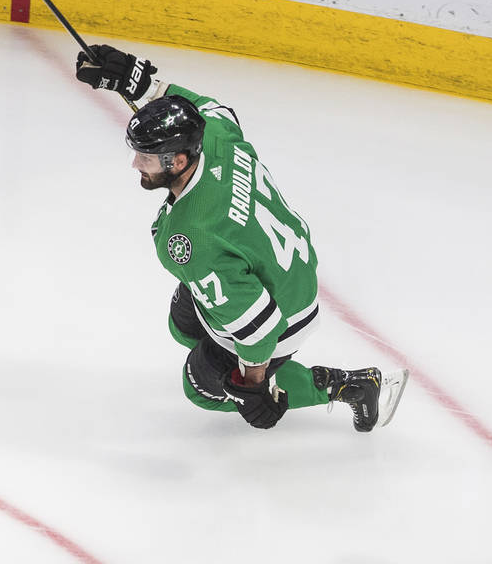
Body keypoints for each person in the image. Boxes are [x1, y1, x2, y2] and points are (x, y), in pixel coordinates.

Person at [73, 45, 407, 431]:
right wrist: (139, 81)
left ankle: (349, 386)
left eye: (146, 157)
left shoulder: (188, 238)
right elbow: (207, 107)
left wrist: (253, 385)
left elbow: (260, 327)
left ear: (178, 161)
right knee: (182, 327)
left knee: (199, 387)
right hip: (277, 262)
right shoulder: (215, 136)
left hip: (285, 313)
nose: (136, 164)